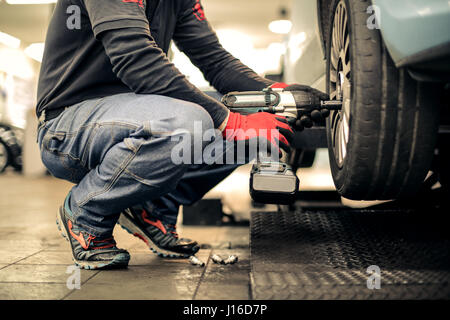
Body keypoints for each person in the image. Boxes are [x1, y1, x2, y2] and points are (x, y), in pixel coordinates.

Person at [36, 0, 327, 269]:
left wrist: (276, 96)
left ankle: (153, 206)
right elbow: (135, 59)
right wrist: (232, 123)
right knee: (190, 122)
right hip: (69, 127)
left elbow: (215, 61)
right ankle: (87, 213)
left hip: (133, 116)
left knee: (256, 117)